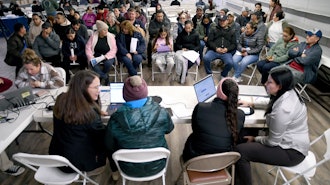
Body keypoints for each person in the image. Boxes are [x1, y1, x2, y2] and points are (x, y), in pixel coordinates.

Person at [235, 68, 309, 185]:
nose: (265, 84)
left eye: (269, 82)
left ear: (279, 86)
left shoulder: (283, 110)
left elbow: (273, 142)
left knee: (241, 151)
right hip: (290, 142)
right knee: (247, 132)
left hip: (291, 151)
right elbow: (274, 102)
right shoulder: (288, 91)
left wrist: (255, 139)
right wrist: (252, 103)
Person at [105, 75, 174, 179]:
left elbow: (108, 145)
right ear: (146, 92)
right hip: (157, 165)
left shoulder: (115, 119)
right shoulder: (162, 112)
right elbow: (169, 129)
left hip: (127, 168)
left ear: (124, 95)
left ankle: (115, 173)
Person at [49, 70, 107, 174]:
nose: (99, 90)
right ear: (83, 88)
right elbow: (102, 137)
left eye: (99, 86)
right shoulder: (90, 113)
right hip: (76, 163)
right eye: (96, 87)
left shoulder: (61, 98)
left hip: (57, 157)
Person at [182, 77, 245, 162]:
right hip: (223, 162)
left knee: (192, 137)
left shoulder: (201, 107)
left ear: (218, 92)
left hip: (195, 160)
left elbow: (195, 129)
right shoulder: (240, 115)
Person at [85, 20, 117, 85]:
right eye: (104, 30)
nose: (106, 31)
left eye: (107, 30)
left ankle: (100, 77)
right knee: (93, 64)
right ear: (99, 30)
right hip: (96, 55)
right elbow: (88, 48)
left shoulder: (110, 36)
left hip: (108, 56)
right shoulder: (93, 37)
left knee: (108, 64)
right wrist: (91, 57)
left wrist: (106, 56)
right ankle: (105, 77)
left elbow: (114, 49)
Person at [174, 20, 200, 84]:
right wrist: (181, 48)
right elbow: (177, 44)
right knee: (181, 60)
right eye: (186, 28)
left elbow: (198, 46)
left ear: (192, 27)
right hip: (183, 51)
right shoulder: (181, 34)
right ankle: (182, 73)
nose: (187, 29)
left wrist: (193, 50)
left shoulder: (196, 34)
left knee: (190, 61)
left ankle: (184, 72)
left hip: (192, 51)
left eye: (189, 28)